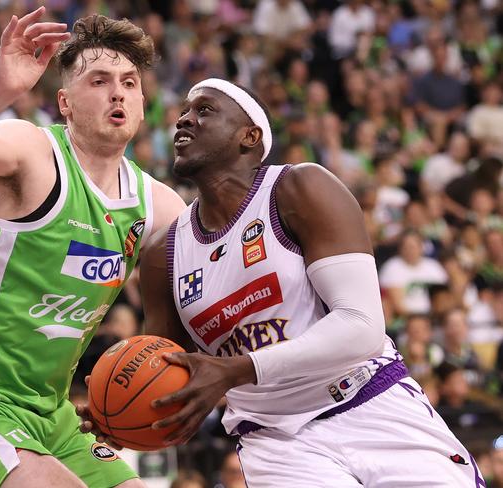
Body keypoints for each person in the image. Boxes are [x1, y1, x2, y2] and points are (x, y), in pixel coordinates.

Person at [81, 78, 484, 486]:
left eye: (203, 110)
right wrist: (117, 414)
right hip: (274, 442)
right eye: (184, 111)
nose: (184, 119)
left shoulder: (299, 188)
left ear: (249, 136)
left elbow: (362, 326)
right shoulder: (162, 255)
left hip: (368, 401)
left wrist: (238, 369)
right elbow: (170, 375)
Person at [0, 8, 185, 488]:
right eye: (100, 81)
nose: (118, 92)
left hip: (52, 414)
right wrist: (1, 92)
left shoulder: (157, 204)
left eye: (130, 83)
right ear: (65, 103)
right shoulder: (31, 151)